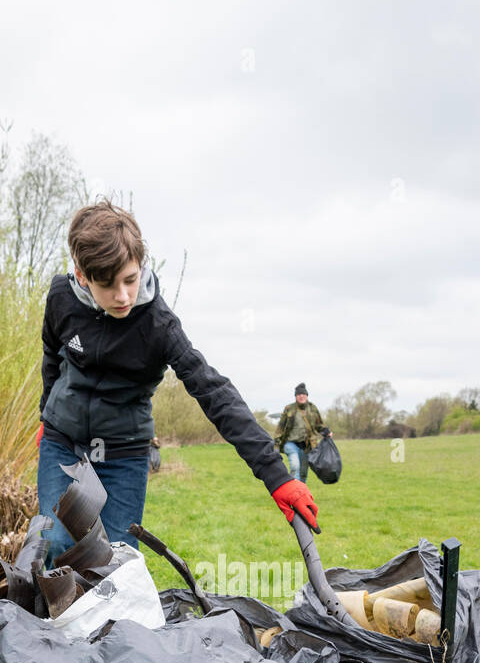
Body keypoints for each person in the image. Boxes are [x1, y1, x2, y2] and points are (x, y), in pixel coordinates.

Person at [36, 201, 318, 563]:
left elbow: (214, 392)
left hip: (123, 452)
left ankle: (109, 621)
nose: (123, 296)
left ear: (141, 266)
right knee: (57, 546)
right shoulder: (61, 298)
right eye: (108, 285)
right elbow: (51, 355)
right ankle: (51, 621)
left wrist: (277, 476)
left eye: (130, 279)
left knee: (114, 562)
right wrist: (47, 415)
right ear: (81, 275)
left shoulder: (158, 326)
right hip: (63, 443)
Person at [274, 383, 328, 481]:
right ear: (296, 397)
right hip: (290, 444)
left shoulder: (312, 408)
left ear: (307, 396)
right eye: (299, 394)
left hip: (307, 446)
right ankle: (295, 492)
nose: (301, 396)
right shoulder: (289, 408)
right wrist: (276, 444)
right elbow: (281, 427)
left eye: (303, 394)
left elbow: (319, 424)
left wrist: (326, 431)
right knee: (295, 467)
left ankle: (301, 493)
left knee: (303, 473)